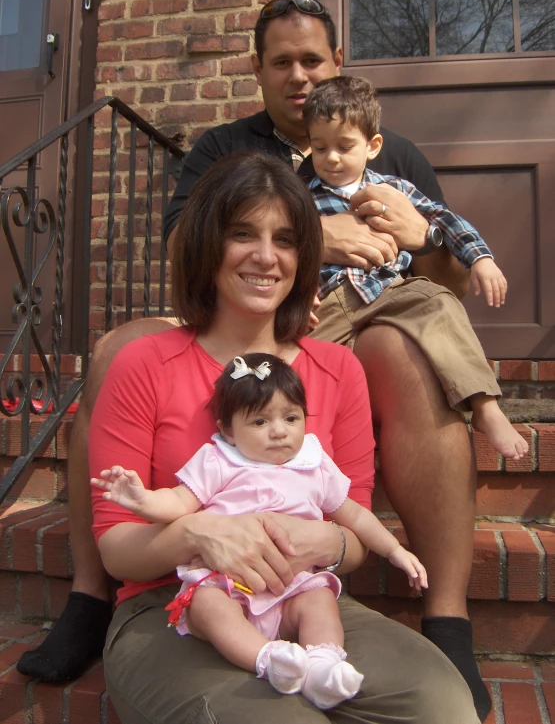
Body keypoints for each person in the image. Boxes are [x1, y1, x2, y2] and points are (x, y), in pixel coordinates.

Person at [17, 0, 491, 722]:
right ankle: (90, 596)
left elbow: (446, 285)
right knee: (119, 346)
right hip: (192, 555)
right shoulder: (223, 147)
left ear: (337, 64)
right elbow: (187, 246)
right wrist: (317, 234)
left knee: (402, 348)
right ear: (257, 70)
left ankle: (447, 616)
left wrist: (425, 239)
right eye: (282, 62)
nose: (299, 75)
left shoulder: (389, 152)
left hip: (339, 328)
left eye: (312, 61)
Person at [88, 151, 478, 723]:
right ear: (206, 245)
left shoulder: (337, 371)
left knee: (442, 706)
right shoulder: (144, 363)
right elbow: (116, 546)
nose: (266, 257)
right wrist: (200, 532)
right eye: (242, 233)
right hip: (175, 605)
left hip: (302, 597)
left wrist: (331, 546)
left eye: (287, 239)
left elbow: (353, 531)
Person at [91, 352, 427, 710]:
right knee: (206, 606)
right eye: (260, 422)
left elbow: (356, 517)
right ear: (227, 431)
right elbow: (177, 503)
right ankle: (267, 659)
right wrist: (142, 501)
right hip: (227, 583)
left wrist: (395, 551)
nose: (279, 431)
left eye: (291, 417)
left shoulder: (314, 465)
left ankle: (322, 665)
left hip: (291, 585)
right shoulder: (218, 460)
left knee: (320, 601)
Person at [302, 75, 527, 461]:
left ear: (372, 146)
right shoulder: (300, 196)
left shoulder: (395, 189)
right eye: (320, 147)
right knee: (298, 364)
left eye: (344, 146)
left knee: (439, 302)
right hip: (331, 302)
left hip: (391, 292)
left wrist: (481, 259)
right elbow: (291, 250)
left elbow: (445, 220)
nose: (332, 158)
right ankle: (304, 446)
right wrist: (299, 290)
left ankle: (485, 405)